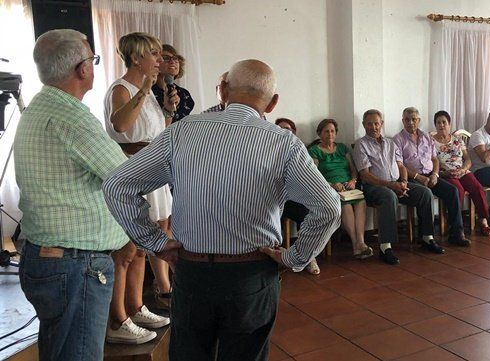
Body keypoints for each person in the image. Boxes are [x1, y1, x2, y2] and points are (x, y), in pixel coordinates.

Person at [103, 59, 341, 361]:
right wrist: (294, 258)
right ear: (273, 103)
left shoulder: (181, 132)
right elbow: (330, 207)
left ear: (224, 90)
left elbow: (116, 185)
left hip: (191, 272)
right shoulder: (284, 143)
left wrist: (156, 244)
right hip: (251, 276)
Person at [14, 29, 125, 361]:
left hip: (46, 257)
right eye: (92, 59)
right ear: (83, 69)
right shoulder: (72, 118)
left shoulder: (39, 106)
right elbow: (124, 176)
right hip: (76, 264)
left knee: (60, 351)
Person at [103, 32, 173, 343]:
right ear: (136, 58)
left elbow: (159, 134)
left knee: (144, 247)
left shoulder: (149, 92)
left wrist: (168, 111)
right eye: (154, 55)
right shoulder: (122, 89)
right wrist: (144, 91)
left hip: (151, 172)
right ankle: (117, 320)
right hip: (131, 173)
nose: (160, 61)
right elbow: (121, 126)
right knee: (126, 250)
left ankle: (136, 306)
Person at [353, 109, 443, 265]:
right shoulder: (361, 145)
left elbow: (401, 165)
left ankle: (427, 237)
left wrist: (403, 182)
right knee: (389, 196)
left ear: (381, 124)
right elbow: (365, 175)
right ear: (363, 125)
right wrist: (391, 185)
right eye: (369, 124)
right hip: (373, 187)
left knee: (425, 193)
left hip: (396, 183)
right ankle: (385, 247)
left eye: (376, 123)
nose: (373, 127)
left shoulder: (390, 142)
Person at [394, 107, 470, 246]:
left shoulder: (426, 137)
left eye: (414, 119)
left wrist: (435, 174)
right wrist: (418, 177)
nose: (410, 122)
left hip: (430, 175)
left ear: (419, 121)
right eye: (407, 119)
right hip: (411, 178)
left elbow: (435, 159)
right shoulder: (397, 140)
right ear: (403, 121)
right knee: (426, 193)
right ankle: (426, 237)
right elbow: (400, 166)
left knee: (452, 191)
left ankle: (456, 233)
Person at [308, 118, 374, 263]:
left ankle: (361, 242)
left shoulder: (343, 148)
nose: (330, 134)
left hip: (348, 186)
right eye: (326, 131)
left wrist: (353, 180)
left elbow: (353, 169)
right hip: (328, 187)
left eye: (332, 131)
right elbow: (313, 175)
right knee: (346, 205)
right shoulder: (314, 151)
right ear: (319, 133)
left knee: (360, 201)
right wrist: (331, 184)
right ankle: (356, 244)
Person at [432, 110, 490, 236]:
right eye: (438, 123)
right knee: (458, 190)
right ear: (435, 125)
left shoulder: (457, 139)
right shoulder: (430, 142)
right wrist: (444, 173)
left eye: (444, 122)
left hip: (462, 171)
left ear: (449, 124)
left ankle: (483, 221)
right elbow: (432, 162)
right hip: (445, 173)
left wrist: (463, 170)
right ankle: (455, 225)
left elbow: (468, 159)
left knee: (477, 188)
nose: (441, 125)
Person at [274, 118, 314, 272]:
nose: (285, 131)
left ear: (293, 132)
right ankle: (277, 255)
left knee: (304, 212)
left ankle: (307, 257)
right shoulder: (268, 149)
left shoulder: (299, 150)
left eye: (288, 129)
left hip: (292, 197)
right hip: (274, 198)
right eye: (281, 128)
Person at [152, 44, 195, 123]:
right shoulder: (147, 92)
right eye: (166, 58)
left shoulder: (184, 94)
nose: (172, 61)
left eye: (175, 58)